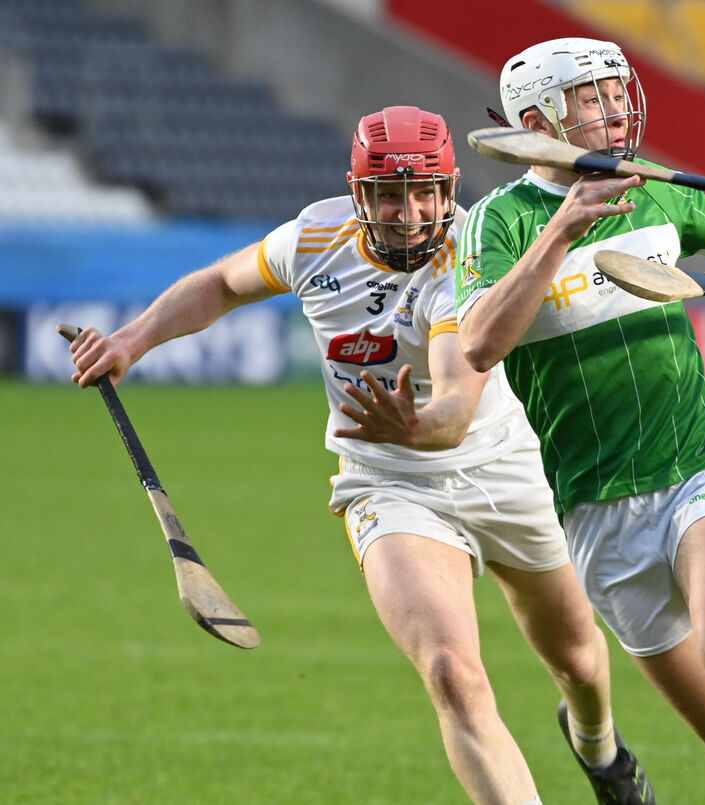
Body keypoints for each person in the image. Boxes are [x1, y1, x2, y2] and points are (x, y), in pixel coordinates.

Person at [66, 105, 654, 805]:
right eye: (388, 193)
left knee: (579, 655)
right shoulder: (318, 235)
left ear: (448, 189)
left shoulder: (475, 252)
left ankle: (601, 749)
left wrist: (420, 423)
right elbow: (222, 284)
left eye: (424, 192)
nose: (408, 212)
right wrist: (132, 341)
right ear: (359, 193)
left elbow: (456, 411)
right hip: (391, 484)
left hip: (503, 465)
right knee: (451, 672)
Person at [456, 37, 705, 805]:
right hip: (597, 510)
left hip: (701, 466)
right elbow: (477, 342)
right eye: (592, 99)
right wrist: (560, 232)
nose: (617, 109)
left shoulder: (658, 189)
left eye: (616, 92)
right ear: (538, 119)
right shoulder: (497, 224)